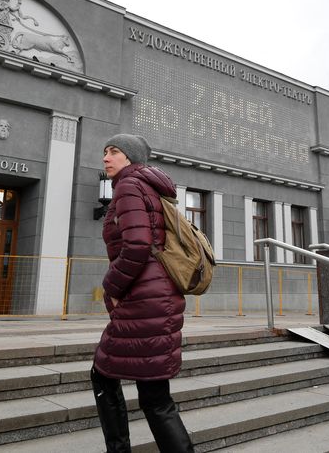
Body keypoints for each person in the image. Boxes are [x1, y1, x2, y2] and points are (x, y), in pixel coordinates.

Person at [91, 133, 194, 453]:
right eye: (105, 152)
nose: (106, 158)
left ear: (131, 157)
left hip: (143, 298)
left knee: (103, 374)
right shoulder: (148, 185)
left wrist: (112, 288)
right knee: (154, 396)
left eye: (114, 152)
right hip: (158, 296)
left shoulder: (128, 185)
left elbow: (137, 245)